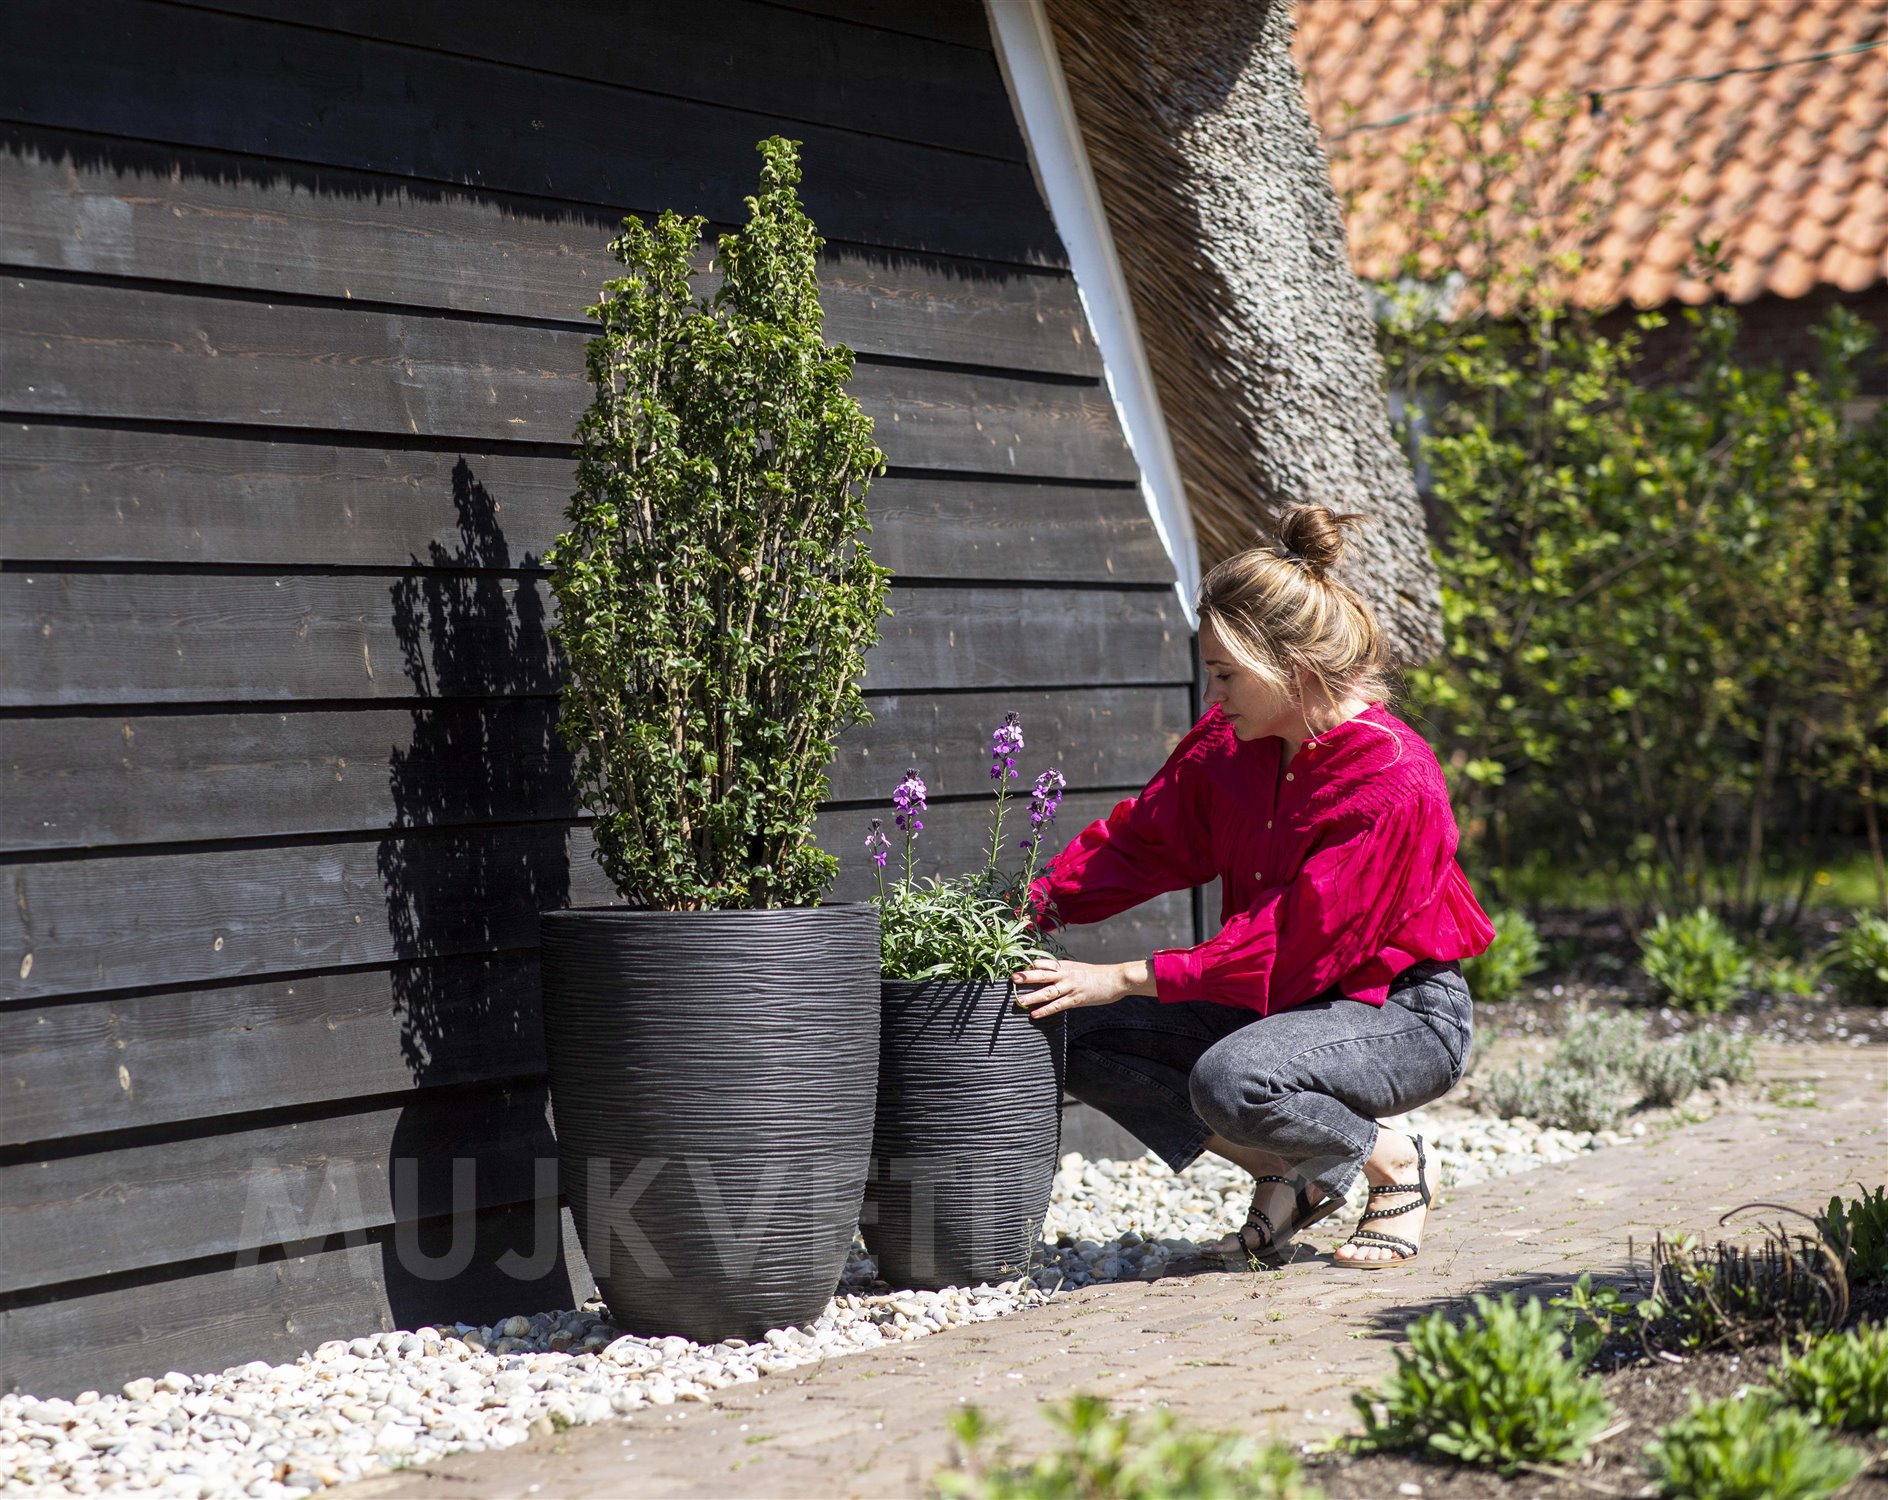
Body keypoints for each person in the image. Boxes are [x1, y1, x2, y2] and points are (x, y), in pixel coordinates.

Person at [1013, 504, 1495, 1268]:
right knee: (1067, 1026)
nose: (1214, 695)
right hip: (1281, 1001)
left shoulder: (1396, 780)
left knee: (1233, 1080)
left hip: (1401, 1012)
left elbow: (1293, 944)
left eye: (1227, 675)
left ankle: (1393, 1163)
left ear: (1291, 667)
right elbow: (1146, 842)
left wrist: (1126, 976)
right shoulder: (1230, 745)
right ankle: (1288, 1169)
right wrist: (1026, 908)